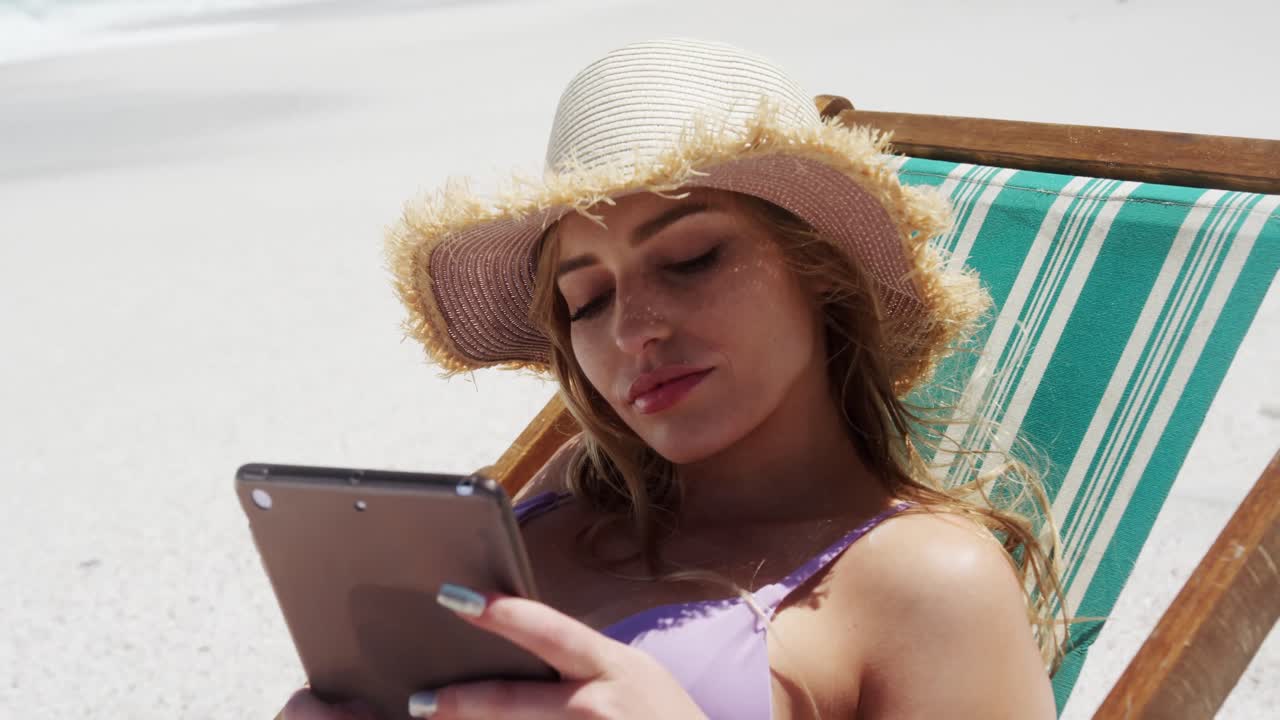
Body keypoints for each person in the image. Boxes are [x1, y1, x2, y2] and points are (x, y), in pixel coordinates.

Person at [283, 38, 1068, 719]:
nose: (632, 330)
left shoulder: (929, 582)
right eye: (585, 299)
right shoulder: (563, 499)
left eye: (691, 259)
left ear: (823, 270)